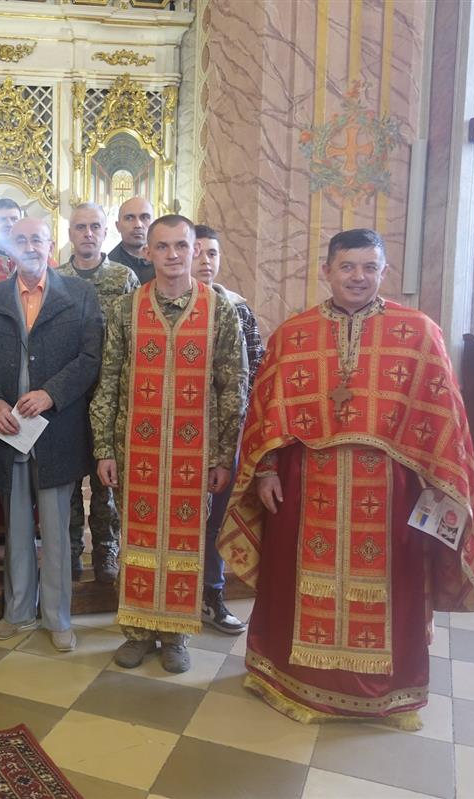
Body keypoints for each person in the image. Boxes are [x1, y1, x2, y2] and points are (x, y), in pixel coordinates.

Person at [219, 228, 474, 728]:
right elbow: (266, 415)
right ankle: (290, 682)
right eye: (347, 266)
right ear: (327, 270)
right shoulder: (294, 334)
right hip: (306, 487)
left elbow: (444, 420)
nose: (358, 277)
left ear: (384, 272)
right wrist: (267, 470)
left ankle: (392, 696)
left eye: (369, 267)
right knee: (295, 582)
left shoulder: (418, 333)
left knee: (396, 585)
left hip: (391, 493)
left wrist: (438, 487)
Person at [92, 214, 247, 674]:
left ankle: (176, 632)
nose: (174, 255)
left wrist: (223, 455)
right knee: (136, 539)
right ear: (148, 252)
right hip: (135, 450)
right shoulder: (126, 309)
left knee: (184, 540)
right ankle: (138, 630)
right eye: (163, 247)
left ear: (196, 249)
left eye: (182, 245)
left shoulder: (220, 310)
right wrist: (104, 447)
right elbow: (109, 380)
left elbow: (232, 385)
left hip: (193, 453)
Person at [0, 217, 103, 653]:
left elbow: (89, 358)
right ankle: (18, 611)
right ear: (10, 245)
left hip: (57, 430)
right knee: (17, 527)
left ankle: (58, 617)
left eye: (37, 239)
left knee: (58, 529)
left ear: (50, 245)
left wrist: (51, 393)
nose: (29, 245)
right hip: (7, 430)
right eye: (21, 239)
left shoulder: (80, 295)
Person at [55, 203, 139, 583]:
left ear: (106, 232)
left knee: (107, 480)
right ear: (70, 234)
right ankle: (71, 551)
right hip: (69, 396)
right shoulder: (54, 279)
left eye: (94, 227)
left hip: (111, 393)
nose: (87, 234)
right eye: (79, 227)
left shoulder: (124, 278)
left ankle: (106, 552)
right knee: (70, 479)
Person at [191, 224, 264, 634]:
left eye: (212, 253)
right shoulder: (156, 306)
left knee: (216, 519)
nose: (204, 260)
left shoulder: (238, 309)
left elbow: (255, 372)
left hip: (223, 435)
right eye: (196, 251)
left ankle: (212, 595)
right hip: (173, 433)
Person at [108, 197, 155, 285]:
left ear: (154, 224)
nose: (138, 225)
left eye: (145, 217)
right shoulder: (108, 265)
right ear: (118, 226)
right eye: (129, 218)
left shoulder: (167, 261)